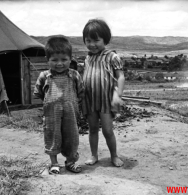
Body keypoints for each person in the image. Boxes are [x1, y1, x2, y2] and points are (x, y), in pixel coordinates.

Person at [34, 36, 84, 174]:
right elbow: (39, 93)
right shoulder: (44, 76)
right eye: (54, 60)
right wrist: (51, 103)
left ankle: (70, 162)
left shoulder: (74, 75)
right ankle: (54, 163)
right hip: (51, 114)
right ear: (47, 59)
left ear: (70, 59)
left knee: (72, 137)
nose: (59, 63)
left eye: (64, 59)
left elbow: (80, 93)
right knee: (52, 135)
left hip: (71, 114)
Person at [82, 18, 125, 167]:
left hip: (106, 100)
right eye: (88, 40)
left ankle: (114, 156)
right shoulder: (88, 58)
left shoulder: (112, 57)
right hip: (90, 100)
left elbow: (120, 76)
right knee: (92, 129)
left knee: (107, 130)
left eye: (96, 40)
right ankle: (94, 155)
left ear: (105, 40)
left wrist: (118, 95)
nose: (92, 44)